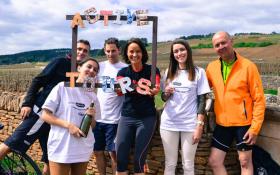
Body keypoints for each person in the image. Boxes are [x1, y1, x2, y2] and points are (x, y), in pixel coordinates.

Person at [0, 39, 91, 175]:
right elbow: (38, 80)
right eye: (79, 49)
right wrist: (27, 103)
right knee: (12, 144)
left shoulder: (81, 71)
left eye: (85, 50)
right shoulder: (60, 62)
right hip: (40, 114)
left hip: (55, 120)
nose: (81, 52)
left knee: (51, 157)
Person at [206, 31, 265, 175]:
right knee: (214, 161)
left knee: (245, 162)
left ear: (231, 42)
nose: (221, 47)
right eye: (217, 45)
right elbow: (200, 90)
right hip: (222, 124)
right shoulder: (211, 68)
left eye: (223, 42)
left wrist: (255, 128)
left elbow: (259, 99)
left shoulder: (248, 66)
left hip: (244, 124)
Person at [41, 57, 101, 175]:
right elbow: (45, 115)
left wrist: (91, 117)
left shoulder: (93, 97)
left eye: (95, 70)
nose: (92, 70)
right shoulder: (62, 87)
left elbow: (93, 126)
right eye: (89, 66)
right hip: (62, 146)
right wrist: (69, 125)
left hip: (82, 147)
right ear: (79, 68)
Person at [160, 39, 210, 175]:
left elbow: (201, 101)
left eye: (182, 49)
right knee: (170, 163)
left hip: (189, 124)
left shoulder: (199, 72)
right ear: (172, 55)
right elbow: (163, 98)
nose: (179, 53)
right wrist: (166, 93)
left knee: (188, 165)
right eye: (175, 51)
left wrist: (199, 126)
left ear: (188, 51)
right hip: (168, 123)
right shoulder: (168, 72)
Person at [115, 38, 160, 175]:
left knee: (139, 158)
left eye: (138, 51)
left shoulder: (152, 70)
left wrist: (155, 91)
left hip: (146, 118)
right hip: (127, 117)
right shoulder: (122, 73)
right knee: (121, 155)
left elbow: (156, 87)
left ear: (143, 53)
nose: (134, 55)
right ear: (127, 54)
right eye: (131, 52)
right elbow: (119, 92)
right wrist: (116, 89)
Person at [93, 37, 127, 175]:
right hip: (98, 118)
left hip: (114, 119)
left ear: (119, 50)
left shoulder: (125, 68)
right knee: (97, 152)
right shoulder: (99, 66)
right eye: (107, 51)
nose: (110, 54)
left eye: (113, 51)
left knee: (114, 154)